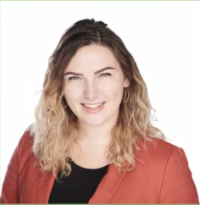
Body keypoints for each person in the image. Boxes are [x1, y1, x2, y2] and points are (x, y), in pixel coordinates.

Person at [1, 18, 199, 204]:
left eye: (104, 74)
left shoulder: (165, 163)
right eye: (74, 78)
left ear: (126, 78)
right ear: (59, 85)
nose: (91, 93)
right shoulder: (30, 146)